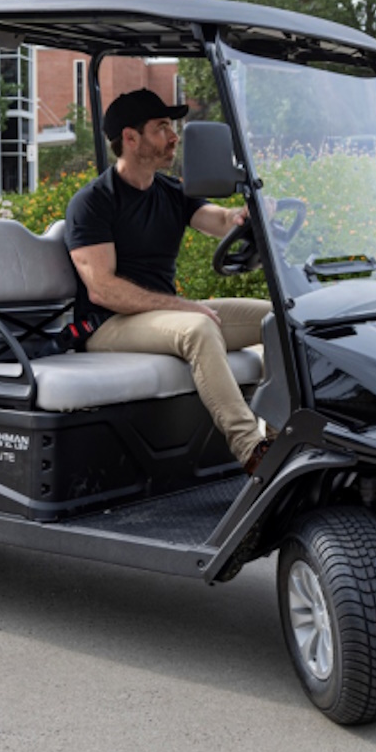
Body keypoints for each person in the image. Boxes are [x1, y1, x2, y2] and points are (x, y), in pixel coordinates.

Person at [65, 89, 274, 473]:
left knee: (277, 321)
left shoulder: (172, 191)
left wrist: (244, 216)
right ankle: (253, 452)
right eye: (161, 128)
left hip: (160, 317)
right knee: (197, 327)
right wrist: (183, 306)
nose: (174, 137)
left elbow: (219, 220)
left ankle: (282, 441)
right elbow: (103, 289)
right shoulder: (93, 202)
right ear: (130, 138)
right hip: (107, 324)